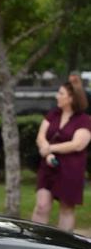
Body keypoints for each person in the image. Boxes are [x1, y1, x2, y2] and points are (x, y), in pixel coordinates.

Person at [32, 80, 91, 232]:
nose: (57, 96)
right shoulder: (53, 114)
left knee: (66, 209)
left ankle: (64, 245)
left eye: (61, 93)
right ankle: (35, 240)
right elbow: (40, 137)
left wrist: (50, 148)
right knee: (41, 205)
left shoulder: (84, 120)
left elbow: (78, 144)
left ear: (71, 98)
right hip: (48, 165)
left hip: (70, 169)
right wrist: (47, 153)